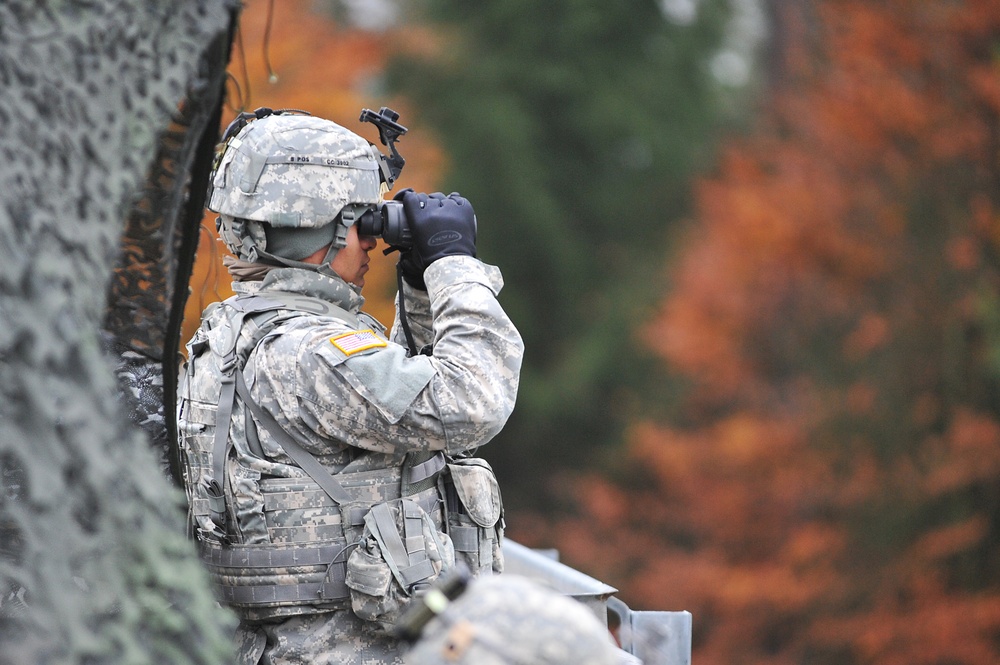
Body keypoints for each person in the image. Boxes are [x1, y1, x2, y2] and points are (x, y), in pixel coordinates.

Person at [177, 108, 523, 664]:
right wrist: (453, 265)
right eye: (361, 220)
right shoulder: (308, 353)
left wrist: (416, 288)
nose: (370, 240)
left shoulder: (238, 333)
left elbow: (399, 425)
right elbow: (472, 402)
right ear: (327, 227)